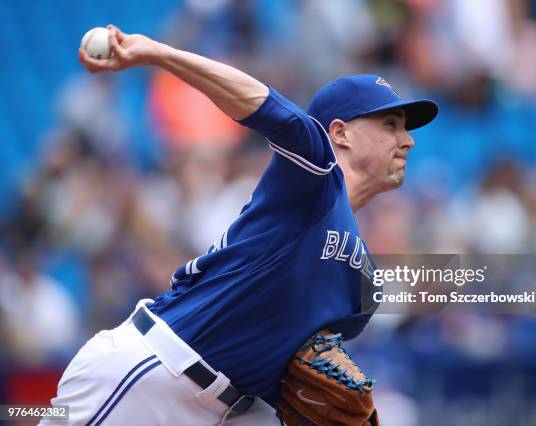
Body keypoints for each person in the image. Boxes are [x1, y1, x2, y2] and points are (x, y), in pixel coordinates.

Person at [43, 25, 437, 425]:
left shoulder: (364, 282)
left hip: (231, 411)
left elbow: (293, 375)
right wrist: (159, 54)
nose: (408, 141)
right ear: (340, 132)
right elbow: (264, 103)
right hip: (155, 374)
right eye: (391, 125)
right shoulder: (315, 175)